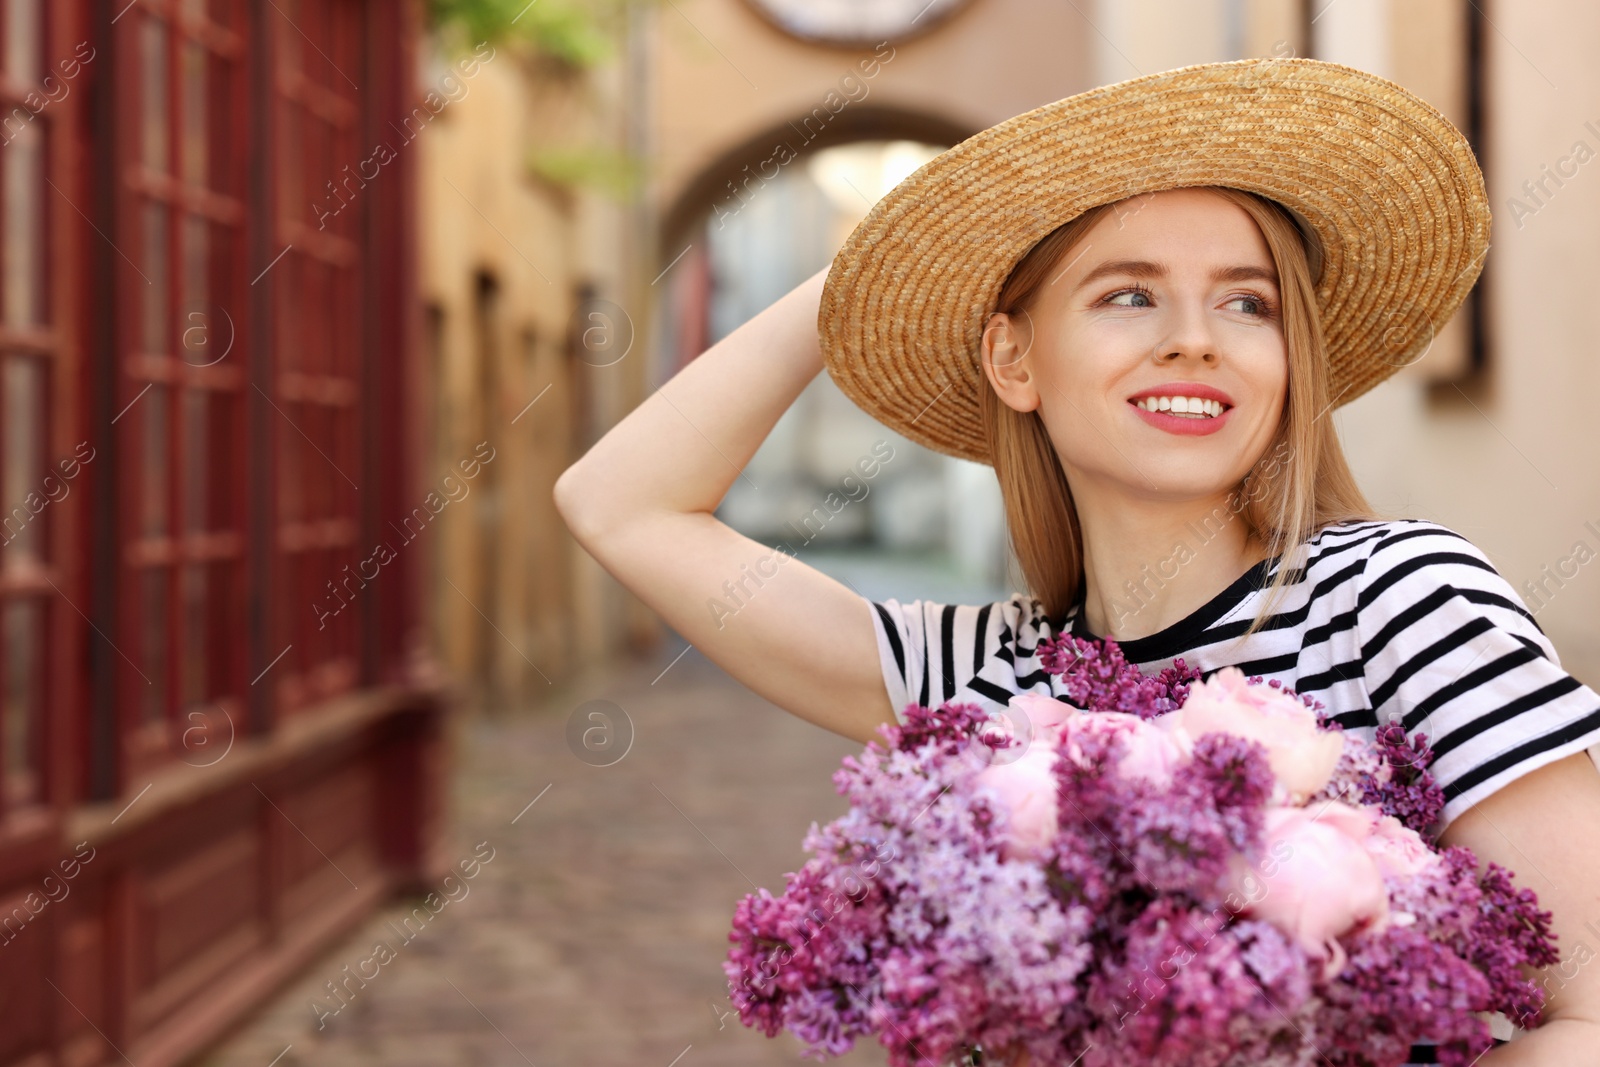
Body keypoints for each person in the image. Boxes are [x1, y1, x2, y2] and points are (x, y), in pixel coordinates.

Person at [554, 58, 1600, 1066]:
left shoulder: (1401, 599)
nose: (1195, 339)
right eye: (1128, 295)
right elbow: (619, 504)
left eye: (1248, 302)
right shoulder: (980, 679)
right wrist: (879, 263)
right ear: (1014, 359)